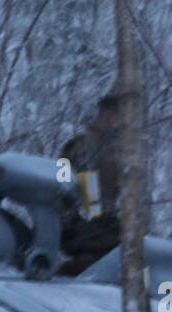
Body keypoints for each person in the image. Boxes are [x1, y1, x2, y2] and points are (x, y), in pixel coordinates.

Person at [59, 94, 123, 274]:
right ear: (103, 114)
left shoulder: (116, 150)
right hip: (82, 224)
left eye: (117, 116)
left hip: (107, 223)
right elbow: (60, 184)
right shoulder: (79, 146)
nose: (113, 121)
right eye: (110, 114)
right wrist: (72, 219)